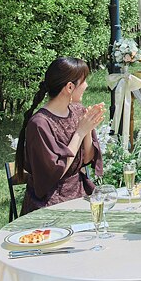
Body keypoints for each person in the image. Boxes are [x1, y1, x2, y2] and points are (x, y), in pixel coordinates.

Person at [16, 57, 104, 214]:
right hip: (49, 202)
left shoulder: (77, 111)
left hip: (78, 194)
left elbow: (87, 159)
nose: (87, 85)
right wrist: (80, 132)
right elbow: (54, 173)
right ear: (70, 87)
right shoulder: (40, 124)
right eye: (83, 81)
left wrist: (89, 128)